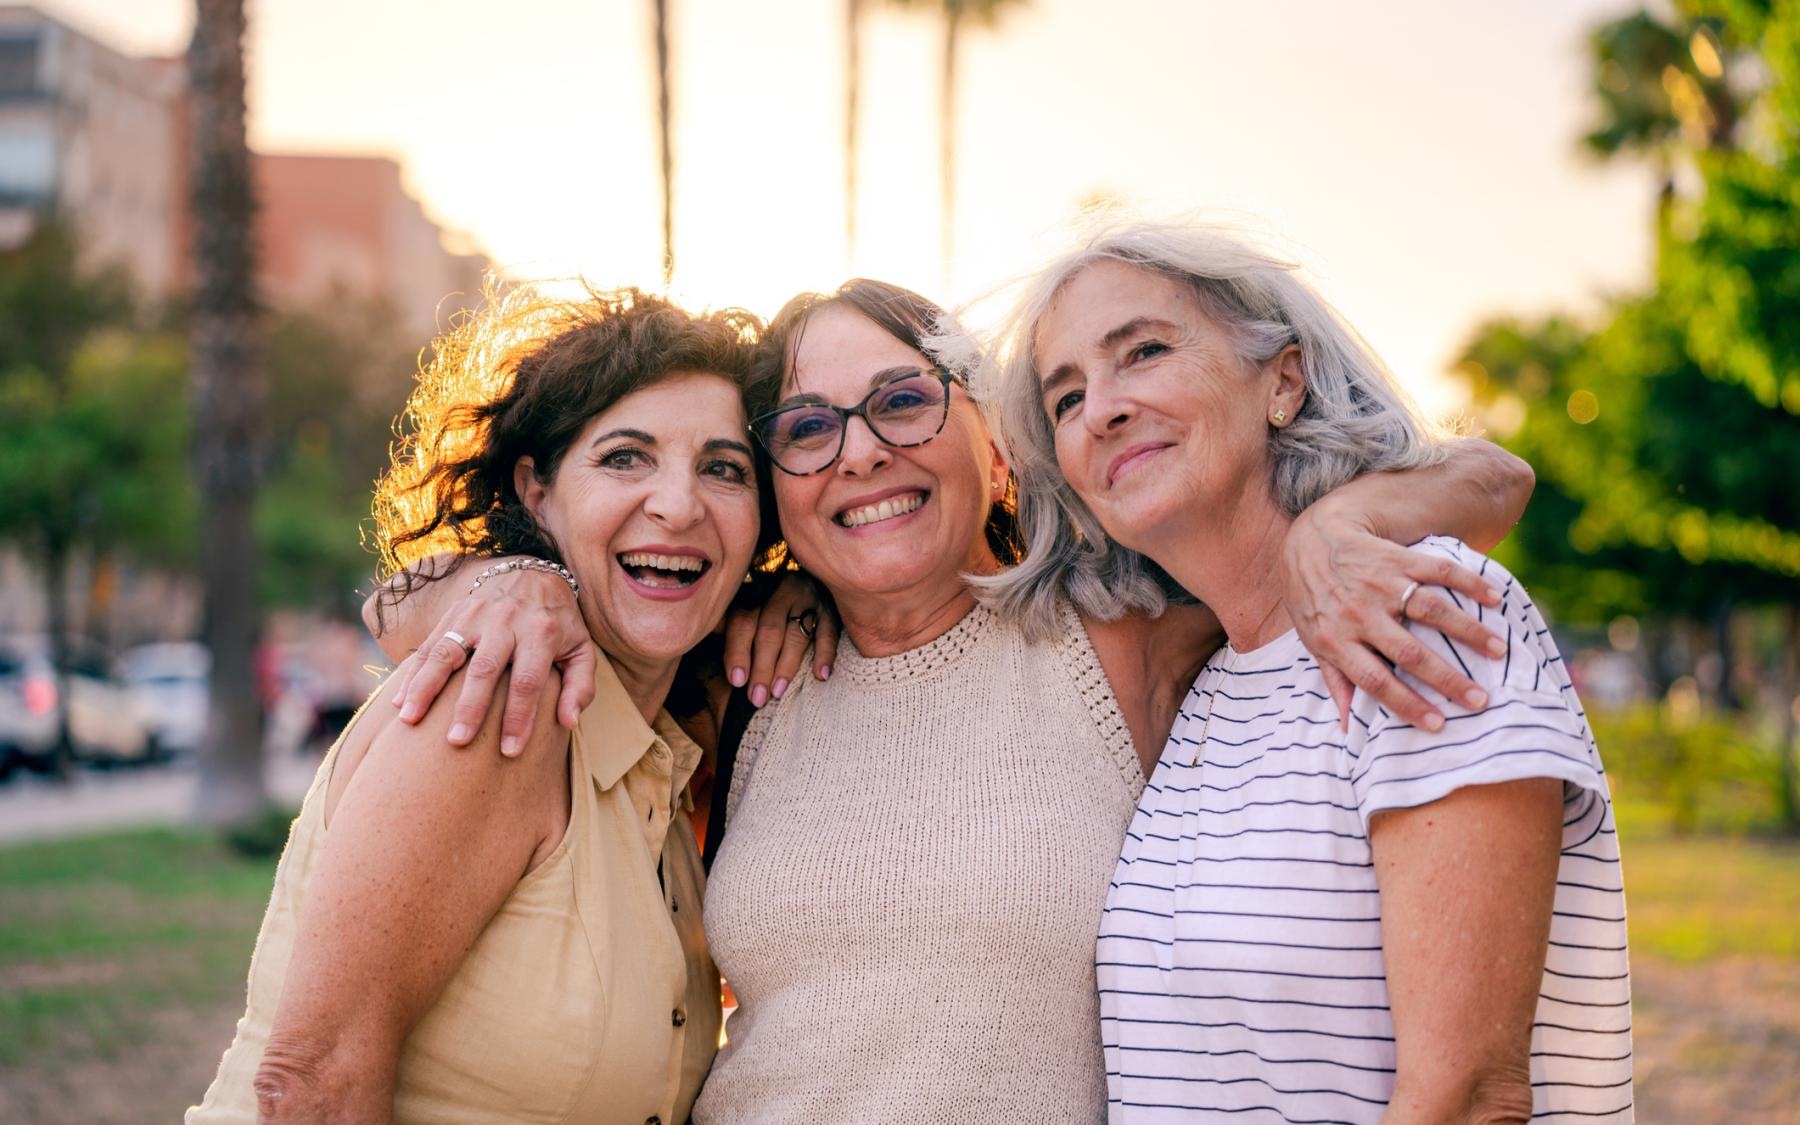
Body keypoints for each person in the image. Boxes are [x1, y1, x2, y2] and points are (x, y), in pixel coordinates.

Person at [380, 273, 1535, 1122]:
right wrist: (517, 584)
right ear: (776, 487)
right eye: (806, 428)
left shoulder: (1119, 636)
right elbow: (396, 605)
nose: (861, 452)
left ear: (994, 442)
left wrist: (1344, 523)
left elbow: (1492, 476)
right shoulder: (736, 673)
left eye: (903, 402)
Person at [990, 220, 1632, 1122]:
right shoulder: (1209, 682)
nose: (1101, 408)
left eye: (1141, 351)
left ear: (1283, 380)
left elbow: (1468, 1095)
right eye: (1066, 398)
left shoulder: (1423, 616)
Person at [188, 286, 764, 1124]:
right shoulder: (501, 704)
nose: (679, 504)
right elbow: (312, 1081)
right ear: (538, 492)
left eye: (724, 468)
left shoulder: (671, 760)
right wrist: (506, 576)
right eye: (625, 457)